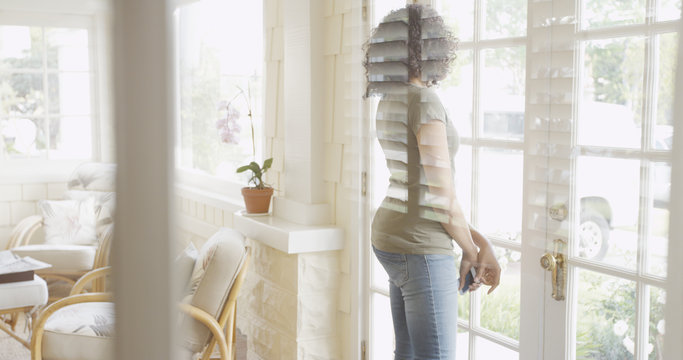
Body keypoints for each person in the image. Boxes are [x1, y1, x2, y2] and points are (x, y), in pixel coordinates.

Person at [364, 4, 501, 359]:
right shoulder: (424, 102)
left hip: (391, 237)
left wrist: (478, 243)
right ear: (432, 47)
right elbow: (440, 196)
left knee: (407, 353)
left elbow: (421, 190)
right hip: (420, 248)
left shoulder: (389, 100)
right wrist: (472, 252)